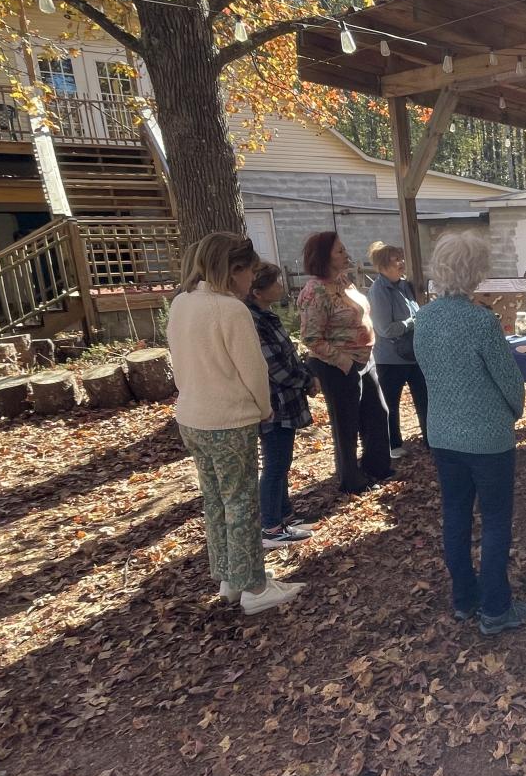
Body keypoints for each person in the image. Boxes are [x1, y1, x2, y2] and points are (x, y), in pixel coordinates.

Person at [168, 233, 304, 615]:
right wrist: (264, 409)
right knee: (241, 503)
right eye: (250, 272)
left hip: (192, 417)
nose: (252, 280)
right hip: (227, 420)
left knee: (216, 501)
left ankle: (231, 577)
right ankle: (255, 589)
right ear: (234, 270)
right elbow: (254, 371)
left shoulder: (181, 302)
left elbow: (178, 362)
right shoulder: (230, 309)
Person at [413, 232, 526, 635]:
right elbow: (509, 380)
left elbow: (430, 373)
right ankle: (496, 609)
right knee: (496, 520)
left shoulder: (424, 318)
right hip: (487, 438)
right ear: (475, 271)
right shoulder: (481, 321)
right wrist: (515, 411)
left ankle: (465, 598)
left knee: (455, 514)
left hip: (443, 433)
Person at [297, 231, 393, 494]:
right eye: (339, 251)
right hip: (337, 365)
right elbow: (311, 337)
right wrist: (344, 362)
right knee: (346, 424)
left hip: (365, 359)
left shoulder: (343, 281)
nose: (346, 253)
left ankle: (377, 467)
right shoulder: (315, 291)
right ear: (323, 257)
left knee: (378, 413)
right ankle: (351, 480)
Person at [245, 262, 317, 549]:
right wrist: (306, 381)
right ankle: (271, 527)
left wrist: (306, 376)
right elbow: (275, 369)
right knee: (275, 464)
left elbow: (288, 355)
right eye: (275, 283)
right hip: (273, 403)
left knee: (282, 462)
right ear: (258, 291)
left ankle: (285, 514)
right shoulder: (254, 321)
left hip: (287, 400)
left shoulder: (267, 315)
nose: (281, 286)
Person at [366, 241, 429, 460]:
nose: (401, 263)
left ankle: (431, 439)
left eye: (401, 258)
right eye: (395, 260)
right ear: (383, 266)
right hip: (390, 358)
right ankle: (393, 445)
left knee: (425, 398)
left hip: (414, 354)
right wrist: (414, 321)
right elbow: (385, 329)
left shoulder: (405, 285)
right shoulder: (379, 291)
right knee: (390, 404)